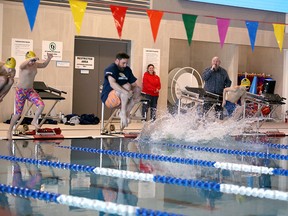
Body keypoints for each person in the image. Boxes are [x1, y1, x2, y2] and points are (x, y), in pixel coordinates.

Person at [7, 51, 53, 139]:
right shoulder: (24, 66)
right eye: (31, 61)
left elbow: (43, 65)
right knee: (17, 114)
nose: (33, 63)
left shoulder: (35, 65)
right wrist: (30, 59)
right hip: (20, 91)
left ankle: (34, 121)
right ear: (28, 60)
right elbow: (21, 65)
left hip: (30, 91)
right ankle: (9, 130)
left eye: (34, 61)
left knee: (41, 105)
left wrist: (49, 58)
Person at [101, 53, 141, 130]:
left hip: (123, 99)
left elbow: (134, 84)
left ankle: (126, 113)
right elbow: (112, 84)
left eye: (126, 63)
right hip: (109, 98)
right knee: (126, 86)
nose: (125, 65)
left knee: (137, 90)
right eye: (123, 63)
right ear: (117, 61)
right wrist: (126, 92)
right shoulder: (111, 68)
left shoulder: (127, 69)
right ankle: (122, 112)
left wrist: (137, 94)